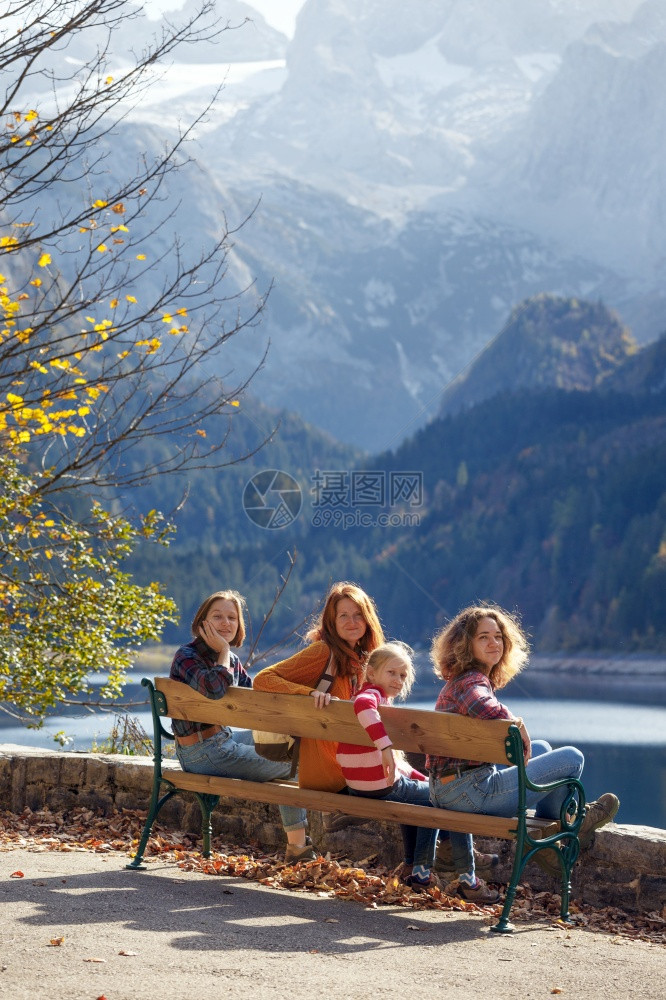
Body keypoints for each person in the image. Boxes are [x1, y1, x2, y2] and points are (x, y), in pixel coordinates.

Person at [427, 604, 620, 891]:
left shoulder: (461, 680)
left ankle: (554, 832)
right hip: (470, 795)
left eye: (498, 636)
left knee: (540, 748)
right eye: (483, 637)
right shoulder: (471, 681)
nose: (494, 643)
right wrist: (515, 721)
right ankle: (566, 828)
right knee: (571, 758)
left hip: (447, 789)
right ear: (466, 645)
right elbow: (481, 704)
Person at [336, 640, 498, 896]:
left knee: (426, 792)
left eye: (403, 675)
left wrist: (423, 777)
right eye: (391, 673)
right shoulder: (372, 697)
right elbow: (363, 706)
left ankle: (418, 863)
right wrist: (386, 747)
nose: (398, 680)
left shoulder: (379, 705)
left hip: (359, 785)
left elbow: (399, 767)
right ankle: (427, 871)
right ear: (371, 673)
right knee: (437, 799)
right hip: (380, 785)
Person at [169, 590, 311, 863]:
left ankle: (298, 847)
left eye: (232, 618)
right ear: (202, 623)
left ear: (239, 625)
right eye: (218, 616)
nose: (226, 623)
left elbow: (254, 700)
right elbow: (214, 688)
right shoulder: (186, 656)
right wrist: (224, 650)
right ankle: (299, 850)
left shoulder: (231, 660)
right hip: (201, 752)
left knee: (298, 747)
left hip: (222, 740)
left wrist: (300, 693)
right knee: (298, 764)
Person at [253, 581, 385, 851]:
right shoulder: (324, 651)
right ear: (331, 622)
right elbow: (263, 679)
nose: (352, 621)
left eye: (358, 614)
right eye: (343, 616)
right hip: (331, 769)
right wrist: (307, 693)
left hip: (346, 762)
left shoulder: (364, 659)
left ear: (368, 619)